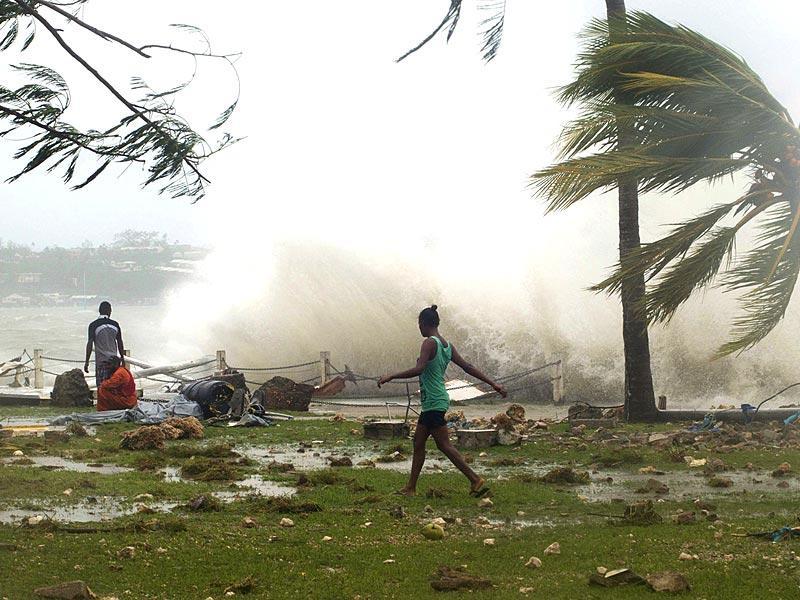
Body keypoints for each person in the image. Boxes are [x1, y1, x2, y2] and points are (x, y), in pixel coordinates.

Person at [378, 305, 507, 497]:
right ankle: (411, 488)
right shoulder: (447, 345)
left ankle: (474, 479)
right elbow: (468, 367)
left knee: (444, 445)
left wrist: (391, 376)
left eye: (419, 324)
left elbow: (420, 368)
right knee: (419, 442)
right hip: (436, 400)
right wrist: (493, 384)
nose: (418, 328)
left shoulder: (429, 343)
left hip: (433, 401)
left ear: (423, 323)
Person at [84, 301, 125, 389]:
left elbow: (90, 343)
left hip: (102, 362)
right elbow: (120, 342)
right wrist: (123, 358)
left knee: (102, 387)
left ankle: (104, 402)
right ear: (109, 311)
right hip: (115, 362)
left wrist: (87, 361)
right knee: (115, 387)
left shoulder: (93, 325)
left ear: (99, 311)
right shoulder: (115, 324)